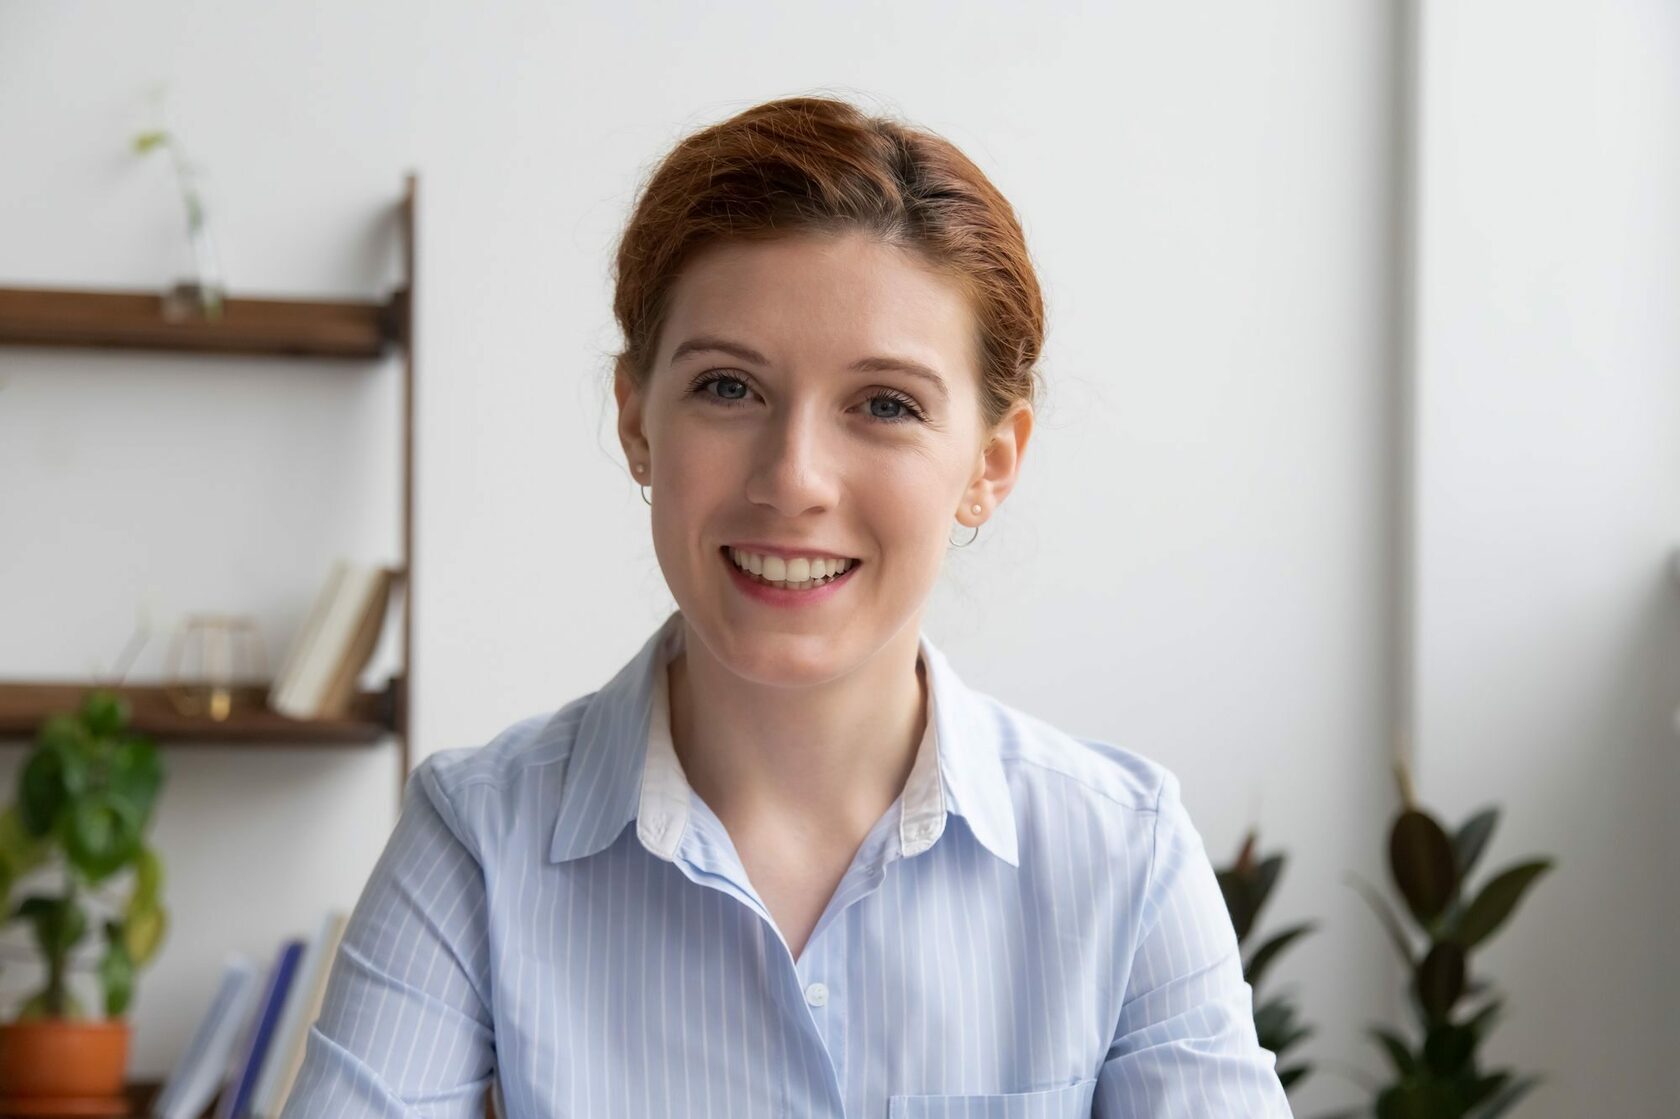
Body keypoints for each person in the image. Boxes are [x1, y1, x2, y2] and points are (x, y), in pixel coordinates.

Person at [279, 94, 1293, 1119]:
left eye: (886, 404)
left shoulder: (1124, 855)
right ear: (636, 421)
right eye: (729, 387)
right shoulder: (476, 840)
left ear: (991, 463)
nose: (794, 479)